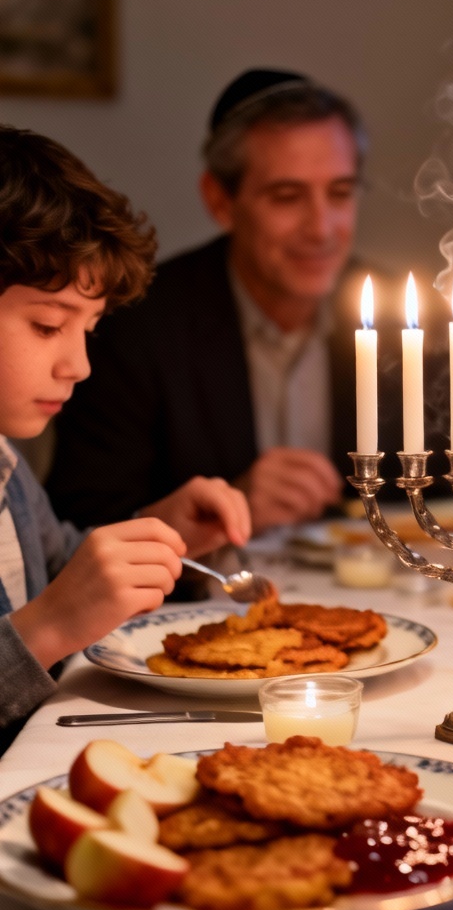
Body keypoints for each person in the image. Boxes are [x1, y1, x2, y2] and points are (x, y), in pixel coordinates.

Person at [46, 67, 385, 536]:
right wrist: (231, 507)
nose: (322, 228)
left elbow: (450, 496)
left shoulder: (402, 322)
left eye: (341, 193)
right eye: (287, 197)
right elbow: (78, 526)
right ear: (220, 201)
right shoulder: (137, 326)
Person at [0, 125, 251, 752]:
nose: (79, 365)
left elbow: (56, 569)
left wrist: (157, 532)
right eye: (47, 325)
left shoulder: (7, 466)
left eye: (88, 330)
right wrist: (47, 629)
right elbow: (51, 608)